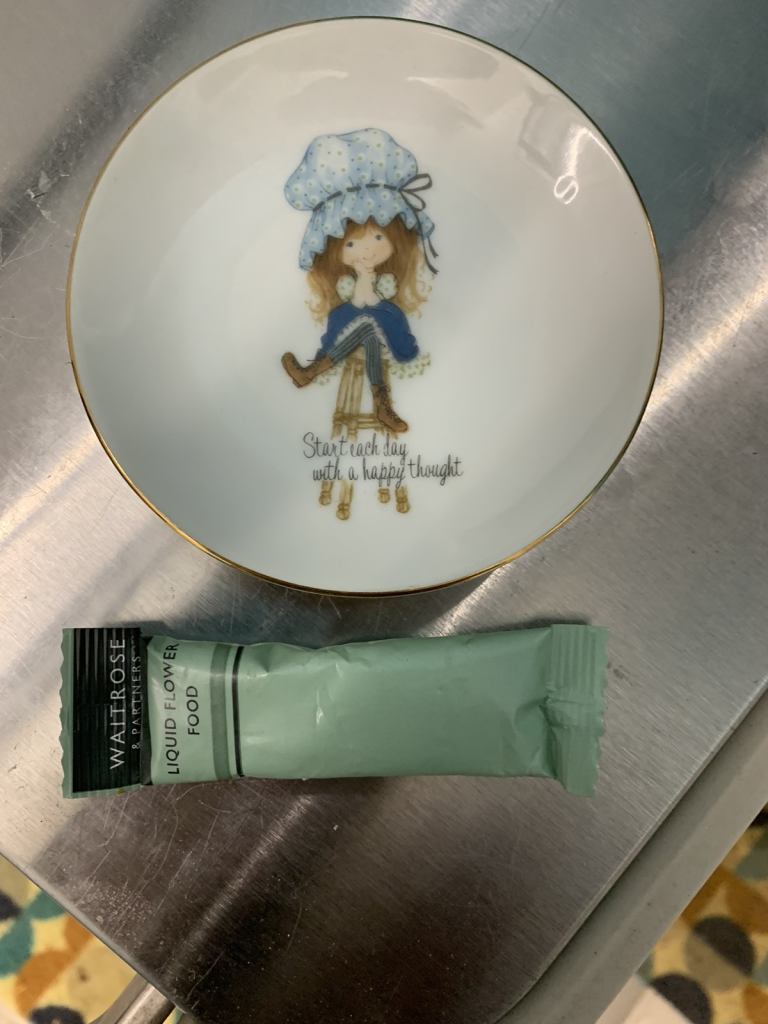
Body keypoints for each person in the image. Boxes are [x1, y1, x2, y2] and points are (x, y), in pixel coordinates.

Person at [280, 128, 437, 433]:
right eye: (351, 244)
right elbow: (358, 300)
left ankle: (312, 371)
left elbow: (372, 301)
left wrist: (368, 279)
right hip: (360, 318)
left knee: (370, 324)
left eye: (378, 237)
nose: (366, 250)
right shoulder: (346, 287)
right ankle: (382, 404)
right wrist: (362, 280)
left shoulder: (385, 281)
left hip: (385, 320)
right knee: (364, 330)